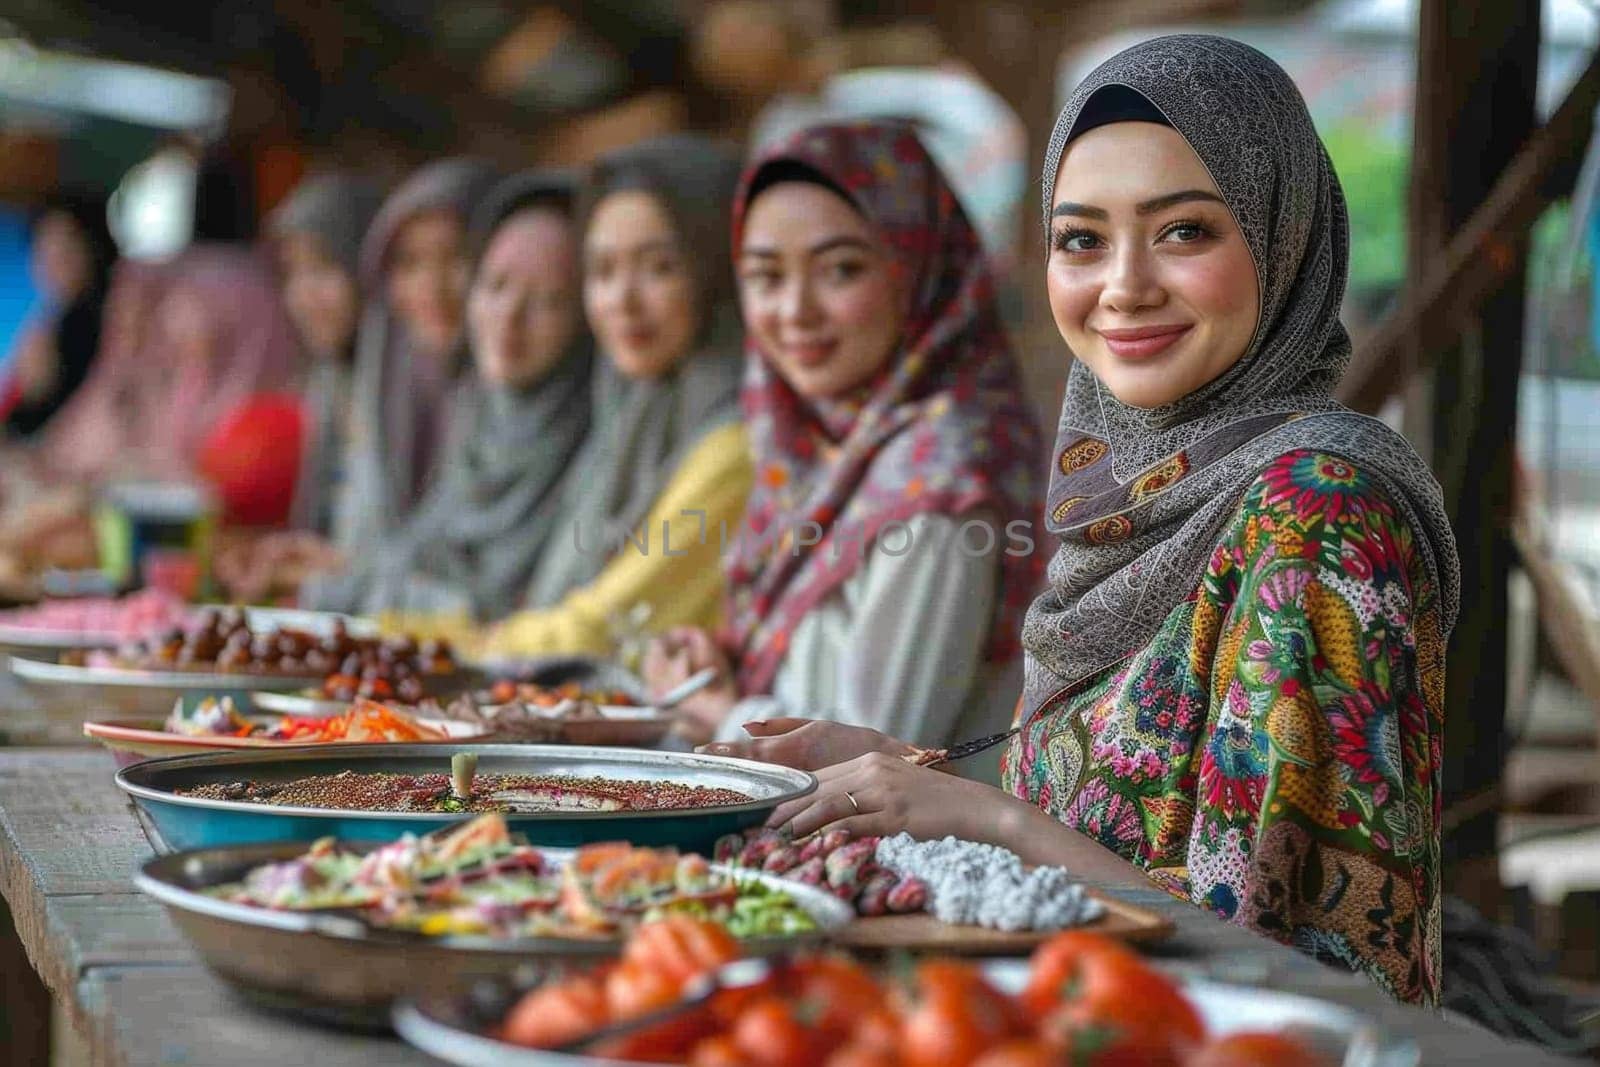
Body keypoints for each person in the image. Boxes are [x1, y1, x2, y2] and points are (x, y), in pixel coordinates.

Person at [705, 35, 1460, 1006]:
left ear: (1284, 236)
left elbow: (1297, 963)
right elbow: (1120, 801)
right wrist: (901, 762)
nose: (1123, 284)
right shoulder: (1127, 496)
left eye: (1184, 230)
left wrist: (990, 819)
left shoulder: (1315, 513)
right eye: (1080, 239)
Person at [641, 121, 1043, 757]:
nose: (796, 311)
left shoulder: (943, 476)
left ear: (919, 271)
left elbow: (884, 751)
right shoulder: (814, 448)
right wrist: (725, 672)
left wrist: (720, 710)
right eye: (767, 277)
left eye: (841, 270)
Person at [384, 136, 752, 660]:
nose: (623, 301)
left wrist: (421, 645)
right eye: (602, 271)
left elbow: (605, 628)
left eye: (660, 268)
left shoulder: (733, 441)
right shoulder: (631, 419)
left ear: (715, 272)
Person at [299, 171, 593, 620]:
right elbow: (420, 557)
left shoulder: (600, 436)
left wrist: (346, 585)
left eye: (550, 299)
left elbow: (536, 617)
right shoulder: (481, 416)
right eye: (495, 286)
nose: (509, 319)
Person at [335, 158, 500, 551]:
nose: (432, 285)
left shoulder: (523, 401)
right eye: (409, 262)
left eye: (457, 256)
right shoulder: (385, 385)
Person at [266, 172, 385, 535]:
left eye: (323, 268)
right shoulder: (330, 379)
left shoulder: (408, 392)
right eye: (292, 272)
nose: (304, 294)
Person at [3, 195, 115, 438]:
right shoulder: (47, 321)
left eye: (65, 247)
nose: (53, 260)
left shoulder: (105, 320)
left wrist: (36, 393)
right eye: (44, 248)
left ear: (93, 248)